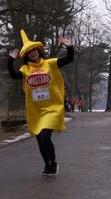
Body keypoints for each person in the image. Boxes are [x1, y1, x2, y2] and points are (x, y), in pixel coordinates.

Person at [8, 30, 74, 176]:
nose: (32, 53)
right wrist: (10, 60)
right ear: (26, 55)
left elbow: (68, 59)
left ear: (39, 50)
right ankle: (47, 164)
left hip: (52, 108)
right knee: (39, 139)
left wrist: (69, 47)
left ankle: (54, 162)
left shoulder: (50, 64)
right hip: (35, 110)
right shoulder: (25, 69)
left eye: (34, 50)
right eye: (29, 52)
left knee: (45, 136)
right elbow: (13, 75)